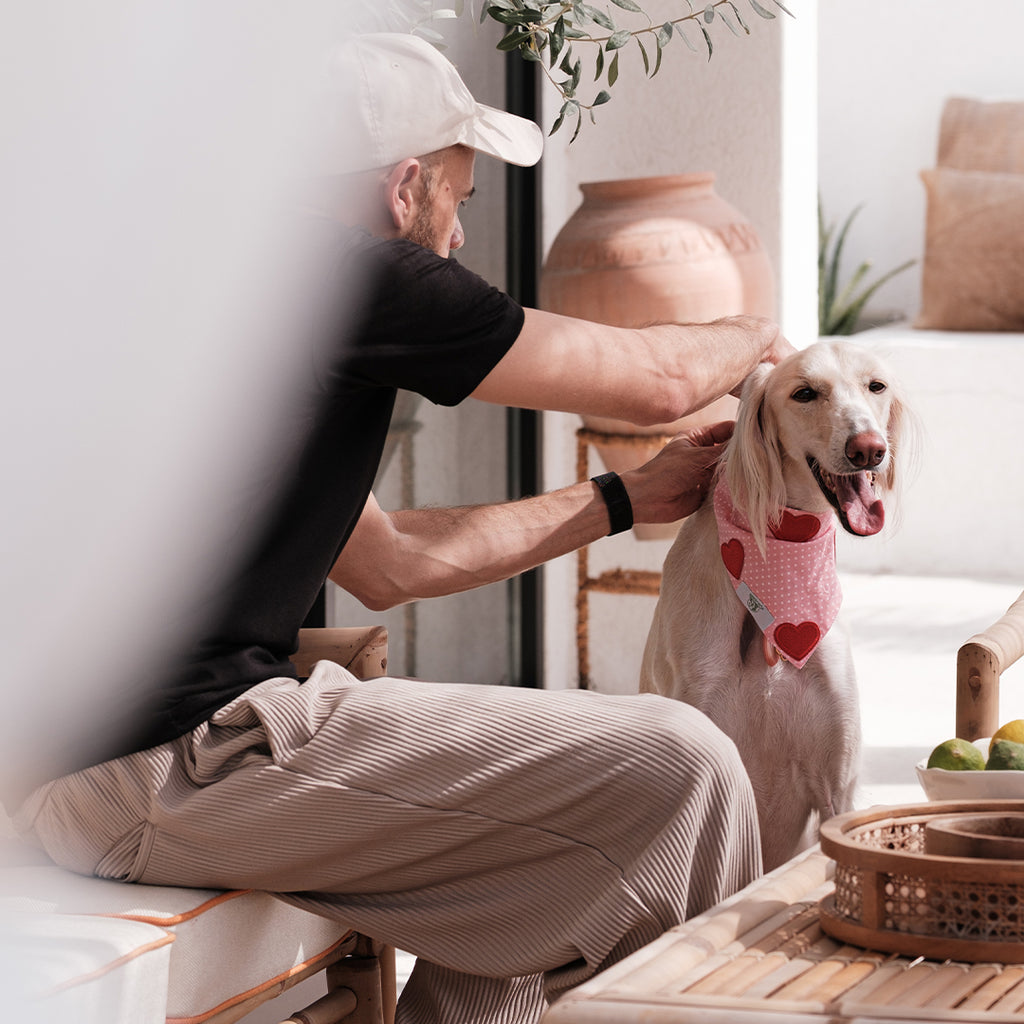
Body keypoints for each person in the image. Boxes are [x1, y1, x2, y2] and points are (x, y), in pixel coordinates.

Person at [14, 32, 796, 1024]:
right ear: (404, 185)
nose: (462, 237)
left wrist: (620, 501)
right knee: (683, 770)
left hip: (128, 756)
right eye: (461, 201)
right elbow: (657, 381)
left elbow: (391, 560)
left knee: (554, 869)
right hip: (175, 758)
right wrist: (755, 335)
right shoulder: (346, 277)